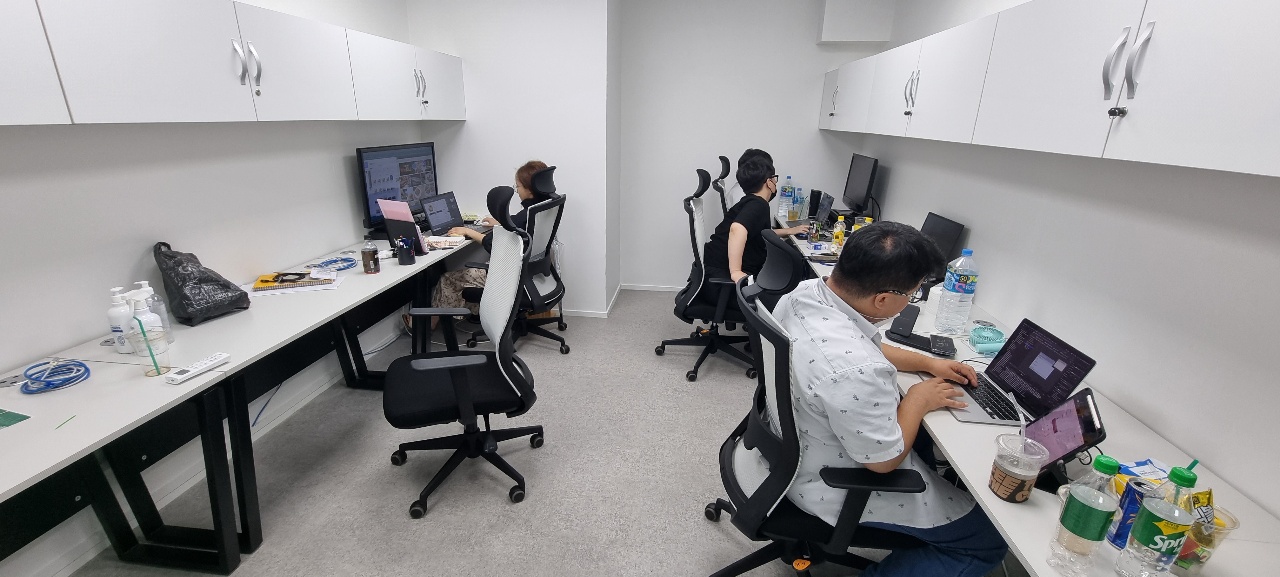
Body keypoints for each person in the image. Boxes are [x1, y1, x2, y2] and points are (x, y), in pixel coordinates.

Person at [768, 221, 1008, 577]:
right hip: (829, 483)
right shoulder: (857, 370)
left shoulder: (806, 293)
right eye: (912, 293)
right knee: (986, 539)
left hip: (788, 449)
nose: (911, 300)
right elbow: (883, 464)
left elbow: (866, 345)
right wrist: (917, 399)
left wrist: (929, 363)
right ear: (883, 299)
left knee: (924, 437)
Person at [429, 160, 554, 329]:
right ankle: (478, 315)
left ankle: (432, 324)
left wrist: (468, 231)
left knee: (448, 279)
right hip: (530, 272)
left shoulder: (528, 214)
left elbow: (492, 244)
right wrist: (501, 222)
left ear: (530, 190)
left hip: (509, 275)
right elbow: (518, 226)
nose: (517, 190)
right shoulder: (541, 208)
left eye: (518, 186)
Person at [701, 149, 808, 287]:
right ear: (769, 182)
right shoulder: (758, 205)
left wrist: (789, 231)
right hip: (722, 274)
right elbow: (737, 228)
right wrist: (736, 272)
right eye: (774, 179)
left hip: (713, 268)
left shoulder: (749, 201)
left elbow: (759, 232)